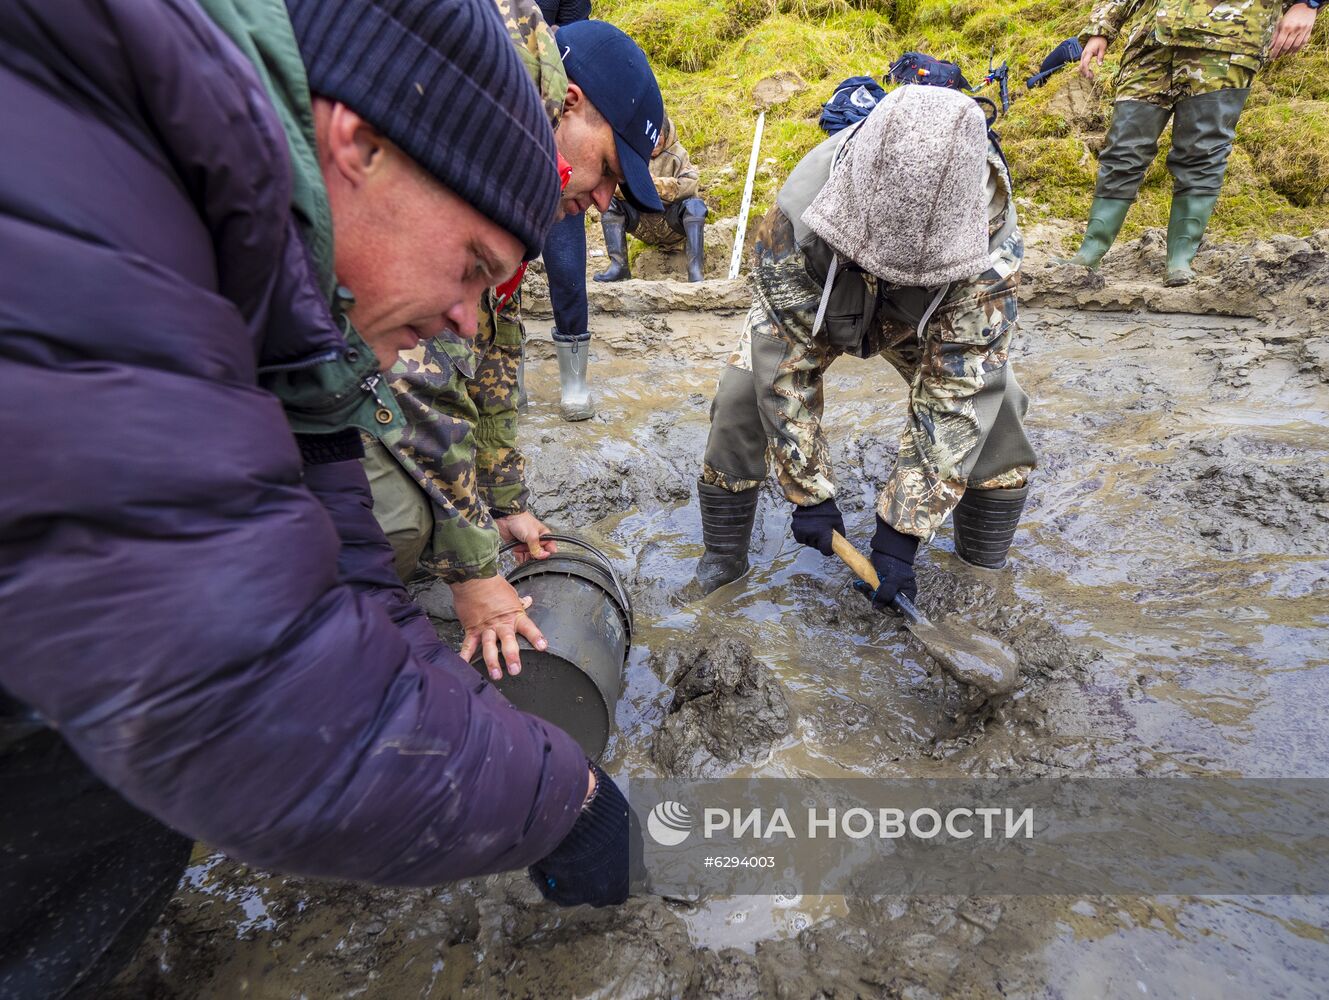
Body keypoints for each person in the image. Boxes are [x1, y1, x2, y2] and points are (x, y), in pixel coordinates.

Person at [0, 1, 632, 995]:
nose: (464, 321)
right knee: (101, 782)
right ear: (361, 144)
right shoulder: (95, 194)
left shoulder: (272, 291)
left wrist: (460, 708)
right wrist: (564, 796)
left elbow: (343, 580)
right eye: (472, 268)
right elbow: (224, 684)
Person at [363, 15, 664, 676]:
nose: (604, 198)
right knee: (396, 520)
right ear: (572, 104)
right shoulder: (461, 135)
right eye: (609, 169)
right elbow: (422, 375)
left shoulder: (517, 193)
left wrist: (505, 504)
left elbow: (494, 353)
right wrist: (473, 576)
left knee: (430, 511)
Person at [692, 85, 1037, 605]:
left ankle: (980, 573)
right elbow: (783, 362)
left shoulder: (991, 256)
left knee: (1000, 408)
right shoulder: (797, 217)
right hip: (827, 296)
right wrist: (808, 491)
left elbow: (960, 393)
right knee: (742, 394)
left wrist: (900, 532)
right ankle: (723, 560)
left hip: (925, 318)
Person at [1062, 0, 1320, 285]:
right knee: (1123, 148)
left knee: (1202, 152)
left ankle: (1180, 260)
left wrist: (1308, 3)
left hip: (1228, 38)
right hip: (1152, 39)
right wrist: (1102, 27)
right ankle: (1091, 251)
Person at [595, 113, 708, 283]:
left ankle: (695, 270)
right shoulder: (631, 154)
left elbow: (690, 184)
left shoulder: (679, 154)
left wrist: (656, 186)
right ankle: (619, 267)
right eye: (650, 136)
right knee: (610, 204)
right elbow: (612, 184)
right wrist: (637, 187)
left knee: (695, 206)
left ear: (666, 134)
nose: (654, 141)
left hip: (670, 223)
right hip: (641, 222)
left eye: (659, 135)